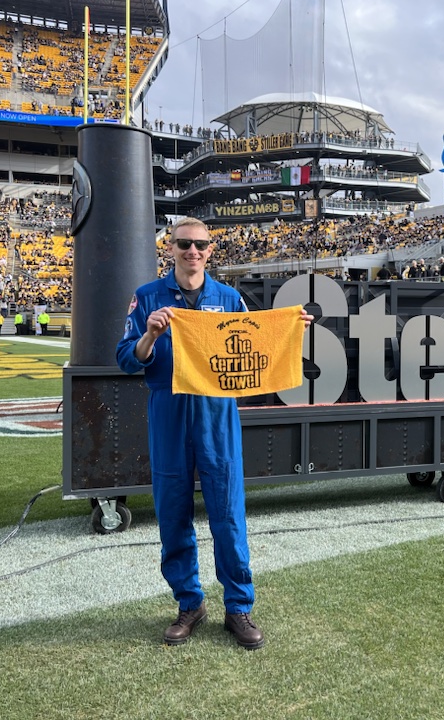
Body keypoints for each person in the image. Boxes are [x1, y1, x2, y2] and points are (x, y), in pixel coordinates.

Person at [117, 217, 312, 649]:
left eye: (201, 245)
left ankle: (238, 608)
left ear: (210, 249)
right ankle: (189, 603)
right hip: (168, 412)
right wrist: (149, 335)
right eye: (184, 244)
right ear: (170, 247)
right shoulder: (148, 298)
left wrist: (291, 328)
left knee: (227, 513)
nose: (193, 251)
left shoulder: (227, 298)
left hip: (217, 415)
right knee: (173, 512)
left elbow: (258, 344)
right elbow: (127, 360)